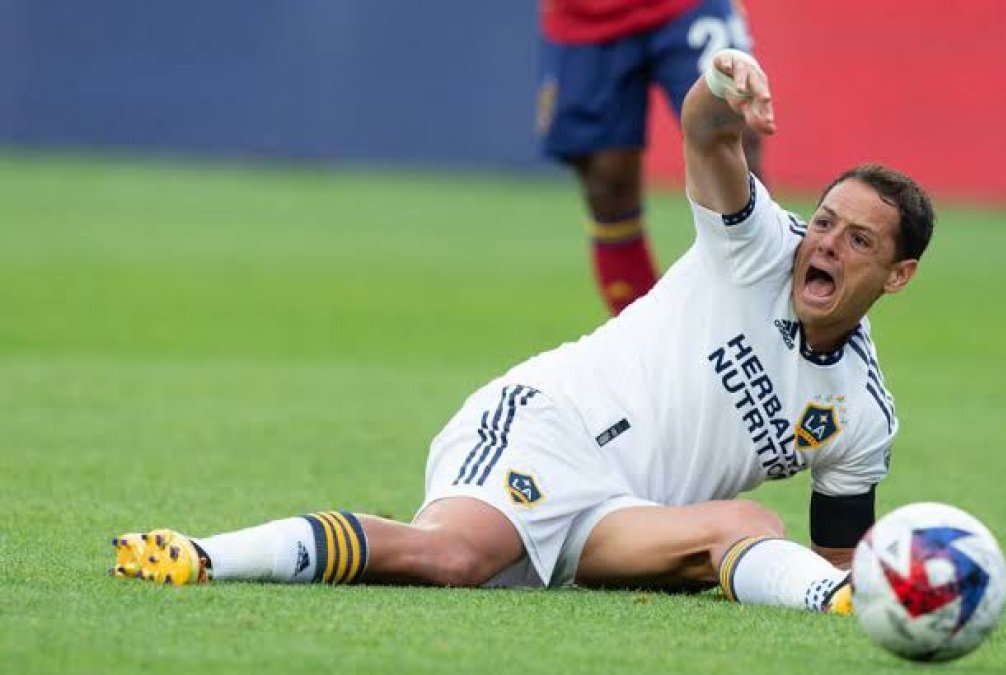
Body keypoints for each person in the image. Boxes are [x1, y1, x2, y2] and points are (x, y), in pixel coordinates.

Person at [111, 50, 934, 616]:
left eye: (857, 239)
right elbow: (708, 134)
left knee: (754, 526)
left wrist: (878, 595)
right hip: (549, 423)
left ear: (896, 276)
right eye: (826, 220)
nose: (825, 243)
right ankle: (200, 553)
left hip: (623, 515)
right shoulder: (759, 245)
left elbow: (838, 558)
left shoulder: (861, 415)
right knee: (451, 558)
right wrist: (721, 83)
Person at [536, 0, 764, 315]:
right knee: (607, 181)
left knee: (733, 138)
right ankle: (647, 334)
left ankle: (761, 318)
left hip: (687, 7)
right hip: (587, 17)